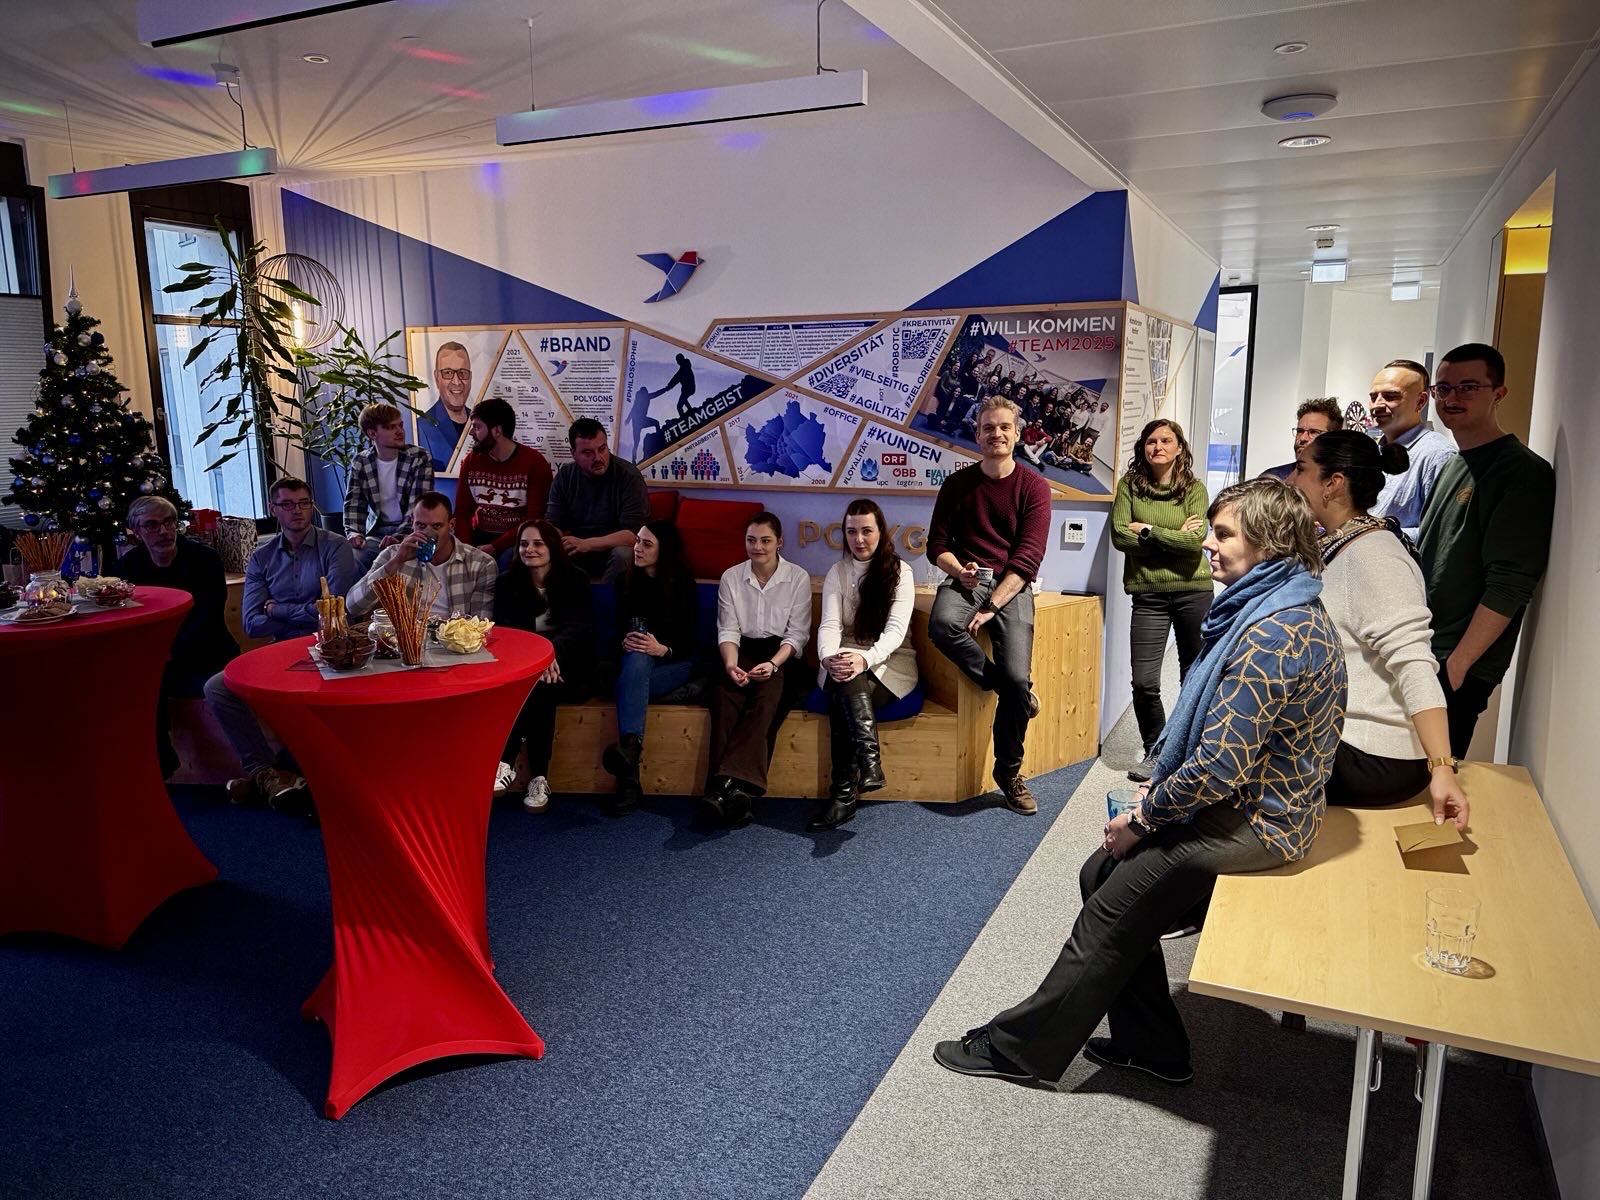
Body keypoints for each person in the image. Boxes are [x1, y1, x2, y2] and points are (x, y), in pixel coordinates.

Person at [933, 477, 1346, 1089]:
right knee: (1098, 873)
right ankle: (1151, 1044)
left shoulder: (1273, 633)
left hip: (1262, 821)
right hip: (1246, 803)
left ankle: (1019, 1049)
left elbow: (1218, 767)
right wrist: (1155, 803)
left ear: (1267, 544)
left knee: (1110, 904)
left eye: (1223, 534)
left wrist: (1145, 817)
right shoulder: (1276, 606)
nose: (1207, 543)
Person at [1291, 431, 1469, 824]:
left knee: (1237, 755)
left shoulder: (1374, 556)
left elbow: (1414, 664)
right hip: (1344, 737)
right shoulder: (1343, 544)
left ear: (1333, 483)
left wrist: (1442, 766)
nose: (1291, 479)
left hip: (1374, 755)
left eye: (1302, 469)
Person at [1418, 343, 1555, 758]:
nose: (1452, 398)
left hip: (1455, 661)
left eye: (1468, 387)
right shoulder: (1454, 464)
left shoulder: (1521, 471)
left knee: (1436, 777)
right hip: (1426, 650)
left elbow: (1511, 581)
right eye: (1443, 388)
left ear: (1499, 393)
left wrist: (1459, 664)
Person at [926, 395, 1051, 816]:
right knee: (942, 624)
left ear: (1017, 434)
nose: (996, 434)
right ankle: (1012, 693)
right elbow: (936, 546)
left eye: (1004, 427)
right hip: (968, 577)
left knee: (1018, 676)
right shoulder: (956, 485)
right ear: (977, 435)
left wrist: (992, 606)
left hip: (1012, 585)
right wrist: (958, 570)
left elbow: (1027, 559)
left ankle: (1008, 772)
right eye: (988, 428)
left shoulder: (1034, 487)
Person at [203, 477, 357, 813]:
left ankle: (285, 778)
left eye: (303, 503)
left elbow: (335, 611)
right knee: (217, 687)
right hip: (281, 648)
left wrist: (277, 609)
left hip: (330, 648)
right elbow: (251, 624)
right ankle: (265, 772)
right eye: (287, 505)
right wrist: (306, 612)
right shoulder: (262, 558)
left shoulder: (336, 547)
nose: (297, 511)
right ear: (273, 509)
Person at [1110, 419, 1213, 783]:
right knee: (1144, 682)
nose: (1158, 447)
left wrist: (1147, 531)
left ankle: (1187, 749)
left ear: (1179, 447)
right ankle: (1156, 751)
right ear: (1143, 447)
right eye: (1151, 441)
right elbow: (1119, 537)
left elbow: (1194, 542)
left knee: (1193, 677)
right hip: (1148, 595)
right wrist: (1173, 537)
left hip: (1193, 590)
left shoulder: (1195, 490)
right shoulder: (1129, 487)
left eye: (1166, 440)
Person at [810, 498, 918, 831]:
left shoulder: (901, 572)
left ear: (881, 532)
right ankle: (870, 765)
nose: (859, 539)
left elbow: (896, 633)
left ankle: (842, 796)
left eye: (866, 531)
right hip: (842, 653)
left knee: (845, 687)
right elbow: (829, 625)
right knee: (845, 676)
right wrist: (828, 657)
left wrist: (864, 658)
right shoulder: (838, 572)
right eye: (851, 531)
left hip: (892, 660)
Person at [115, 496, 239, 779]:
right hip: (156, 658)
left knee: (154, 678)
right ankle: (157, 763)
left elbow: (208, 617)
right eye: (152, 525)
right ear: (136, 531)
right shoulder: (126, 568)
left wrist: (165, 652)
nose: (163, 531)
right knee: (134, 683)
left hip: (206, 652)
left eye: (169, 522)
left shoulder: (205, 559)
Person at [702, 512, 813, 828]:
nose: (758, 547)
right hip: (740, 651)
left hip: (782, 655)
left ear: (780, 542)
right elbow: (728, 630)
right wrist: (731, 664)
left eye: (765, 540)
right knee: (724, 700)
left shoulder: (798, 577)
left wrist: (774, 663)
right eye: (751, 540)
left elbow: (797, 635)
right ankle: (739, 794)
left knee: (766, 704)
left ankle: (720, 786)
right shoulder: (731, 577)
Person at [493, 519, 594, 813]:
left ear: (552, 547)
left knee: (541, 686)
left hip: (570, 665)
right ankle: (539, 778)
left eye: (538, 543)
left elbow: (579, 628)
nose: (530, 549)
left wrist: (550, 655)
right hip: (526, 666)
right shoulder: (507, 583)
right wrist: (538, 661)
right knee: (540, 687)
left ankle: (506, 761)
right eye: (524, 544)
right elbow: (509, 633)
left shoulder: (576, 579)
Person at [602, 520, 702, 817]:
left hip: (675, 664)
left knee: (636, 670)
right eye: (637, 541)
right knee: (637, 657)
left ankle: (628, 774)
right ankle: (630, 758)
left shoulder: (684, 585)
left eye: (647, 544)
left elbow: (689, 643)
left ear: (664, 550)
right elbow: (615, 633)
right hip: (635, 667)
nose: (637, 548)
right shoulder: (625, 581)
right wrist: (625, 643)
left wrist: (663, 649)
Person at [347, 491, 496, 621]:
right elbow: (353, 606)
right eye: (421, 526)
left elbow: (481, 626)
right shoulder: (394, 554)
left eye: (436, 526)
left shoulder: (480, 564)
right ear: (412, 523)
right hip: (406, 640)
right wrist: (396, 562)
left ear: (451, 525)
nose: (428, 533)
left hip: (454, 640)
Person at [544, 419, 651, 582]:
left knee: (624, 554)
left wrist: (587, 544)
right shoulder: (565, 476)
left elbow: (633, 535)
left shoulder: (629, 477)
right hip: (577, 549)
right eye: (588, 453)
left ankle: (606, 598)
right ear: (573, 453)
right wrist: (554, 541)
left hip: (613, 547)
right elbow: (553, 523)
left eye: (602, 449)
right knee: (536, 549)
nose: (598, 458)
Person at [452, 396, 553, 564]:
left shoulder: (534, 464)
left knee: (508, 559)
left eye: (477, 427)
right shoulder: (471, 461)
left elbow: (534, 520)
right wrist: (467, 548)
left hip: (517, 539)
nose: (471, 433)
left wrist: (495, 546)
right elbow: (462, 513)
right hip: (480, 534)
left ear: (497, 431)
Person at [1364, 359, 1457, 540]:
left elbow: (1442, 532)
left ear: (1420, 401)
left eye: (1390, 396)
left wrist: (1375, 534)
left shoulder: (1438, 455)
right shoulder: (1372, 451)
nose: (1377, 405)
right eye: (1373, 397)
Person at [343, 402, 435, 572]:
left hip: (412, 530)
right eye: (391, 427)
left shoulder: (419, 457)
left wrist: (399, 537)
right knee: (352, 559)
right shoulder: (361, 461)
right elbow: (354, 504)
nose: (400, 431)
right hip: (376, 532)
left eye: (400, 425)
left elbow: (418, 507)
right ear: (372, 433)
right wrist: (354, 533)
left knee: (411, 561)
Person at [419, 341, 474, 470]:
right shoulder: (422, 426)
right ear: (437, 378)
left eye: (462, 372)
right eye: (448, 373)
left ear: (470, 377)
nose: (457, 382)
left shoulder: (481, 423)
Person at [1260, 397, 1343, 480]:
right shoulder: (1274, 478)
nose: (1303, 438)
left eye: (1313, 432)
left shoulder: (1345, 481)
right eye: (1300, 431)